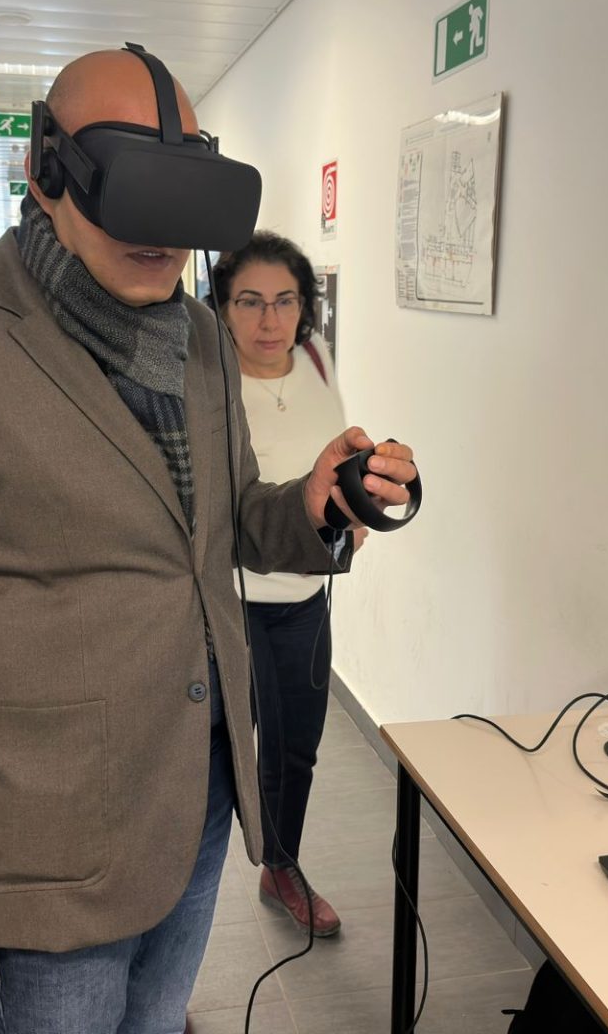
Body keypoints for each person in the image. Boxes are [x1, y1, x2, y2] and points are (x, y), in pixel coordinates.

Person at [0, 47, 418, 1034]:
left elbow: (217, 524)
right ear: (48, 169)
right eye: (136, 194)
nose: (162, 237)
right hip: (43, 850)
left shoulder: (202, 336)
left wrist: (310, 506)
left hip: (193, 802)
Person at [210, 232, 349, 937]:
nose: (270, 321)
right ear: (222, 308)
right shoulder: (206, 379)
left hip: (304, 598)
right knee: (219, 755)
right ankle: (185, 892)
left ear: (304, 306)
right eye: (250, 302)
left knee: (297, 747)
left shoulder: (318, 359)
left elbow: (331, 468)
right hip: (229, 604)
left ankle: (282, 865)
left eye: (285, 301)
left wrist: (356, 513)